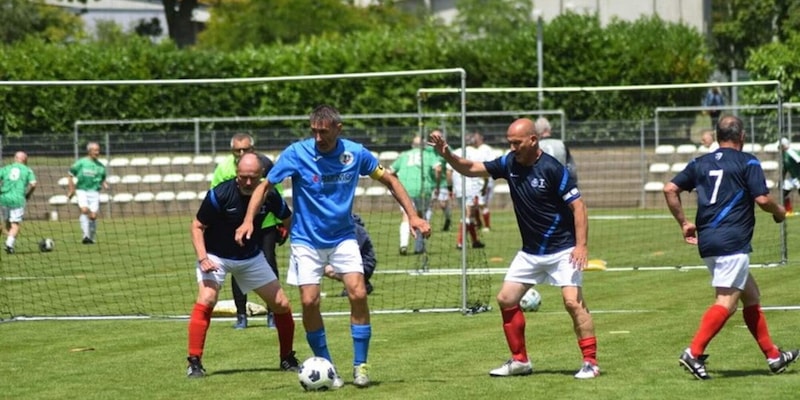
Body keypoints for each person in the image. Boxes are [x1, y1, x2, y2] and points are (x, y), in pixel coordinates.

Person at [234, 104, 431, 389]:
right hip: (305, 241)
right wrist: (248, 220)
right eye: (314, 131)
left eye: (323, 132)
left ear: (339, 129)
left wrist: (412, 215)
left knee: (358, 291)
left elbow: (390, 179)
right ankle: (328, 367)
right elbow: (265, 187)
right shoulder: (297, 153)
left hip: (342, 238)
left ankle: (360, 365)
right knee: (309, 301)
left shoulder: (355, 154)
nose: (318, 137)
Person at [428, 118, 599, 379]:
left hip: (563, 249)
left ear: (533, 140)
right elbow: (471, 168)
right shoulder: (509, 163)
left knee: (572, 303)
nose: (512, 147)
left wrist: (581, 246)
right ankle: (520, 361)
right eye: (509, 143)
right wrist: (447, 154)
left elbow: (579, 206)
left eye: (517, 142)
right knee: (506, 299)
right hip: (530, 252)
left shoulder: (552, 169)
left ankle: (591, 363)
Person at [663, 115, 798, 380]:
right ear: (742, 136)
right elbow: (761, 198)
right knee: (726, 302)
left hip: (709, 240)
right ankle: (693, 352)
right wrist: (780, 211)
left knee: (752, 295)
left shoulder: (700, 162)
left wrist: (684, 223)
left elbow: (669, 189)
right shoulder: (747, 161)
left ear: (717, 135)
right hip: (732, 241)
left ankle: (773, 356)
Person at [186, 152, 299, 378]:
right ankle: (194, 361)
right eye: (243, 177)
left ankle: (287, 358)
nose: (248, 182)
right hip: (215, 256)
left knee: (282, 304)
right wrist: (203, 258)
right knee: (207, 298)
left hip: (250, 258)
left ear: (261, 176)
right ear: (237, 174)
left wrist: (284, 230)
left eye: (253, 177)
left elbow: (287, 216)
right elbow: (197, 226)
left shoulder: (269, 195)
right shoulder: (220, 194)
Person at [210, 133, 287, 330]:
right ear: (232, 151)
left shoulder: (266, 165)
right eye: (238, 150)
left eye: (246, 149)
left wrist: (280, 222)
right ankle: (241, 315)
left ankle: (272, 314)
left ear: (253, 149)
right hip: (236, 225)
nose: (241, 153)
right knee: (238, 265)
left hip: (265, 222)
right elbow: (215, 196)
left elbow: (276, 192)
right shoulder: (224, 168)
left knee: (269, 264)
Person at [390, 135, 440, 255]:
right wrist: (436, 185)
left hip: (405, 189)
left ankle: (403, 244)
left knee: (406, 215)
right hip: (424, 188)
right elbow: (438, 169)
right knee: (420, 216)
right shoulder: (428, 155)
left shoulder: (404, 155)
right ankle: (419, 247)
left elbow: (390, 171)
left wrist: (395, 184)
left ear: (412, 145)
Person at [324, 213, 376, 296]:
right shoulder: (344, 228)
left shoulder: (355, 229)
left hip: (364, 265)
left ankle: (357, 284)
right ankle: (361, 284)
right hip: (355, 262)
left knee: (327, 269)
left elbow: (355, 250)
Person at [67, 142, 108, 244]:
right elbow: (70, 174)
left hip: (94, 192)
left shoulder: (101, 166)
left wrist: (104, 183)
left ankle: (91, 238)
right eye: (95, 150)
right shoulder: (81, 163)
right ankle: (85, 236)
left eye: (98, 150)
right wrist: (71, 190)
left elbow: (102, 178)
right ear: (89, 151)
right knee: (84, 210)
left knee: (93, 216)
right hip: (82, 190)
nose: (97, 152)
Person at [449, 139, 486, 250]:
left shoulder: (455, 152)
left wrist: (450, 188)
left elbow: (448, 171)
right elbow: (484, 169)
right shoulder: (477, 153)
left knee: (469, 215)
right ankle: (460, 242)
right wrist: (485, 185)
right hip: (472, 188)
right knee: (468, 215)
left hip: (458, 188)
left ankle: (475, 241)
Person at [0, 151, 37, 254]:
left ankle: (9, 241)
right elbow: (33, 184)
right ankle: (9, 244)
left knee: (8, 223)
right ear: (25, 160)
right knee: (15, 224)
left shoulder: (6, 168)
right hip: (17, 199)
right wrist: (28, 194)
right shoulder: (27, 170)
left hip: (3, 198)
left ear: (15, 158)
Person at [472, 131, 495, 232]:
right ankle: (479, 223)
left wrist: (486, 180)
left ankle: (487, 226)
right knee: (475, 203)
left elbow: (490, 165)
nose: (474, 139)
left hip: (485, 180)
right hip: (476, 180)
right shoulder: (476, 150)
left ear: (481, 138)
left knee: (482, 203)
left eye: (476, 137)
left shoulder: (487, 149)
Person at [778, 137, 800, 216]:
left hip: (799, 177)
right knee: (783, 192)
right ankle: (788, 211)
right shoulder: (784, 155)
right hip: (793, 178)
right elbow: (785, 169)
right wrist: (781, 180)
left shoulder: (791, 152)